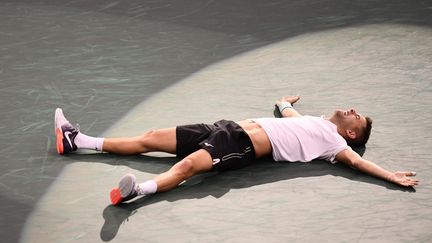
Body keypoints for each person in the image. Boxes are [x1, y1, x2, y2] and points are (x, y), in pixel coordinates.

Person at [54, 96, 419, 205]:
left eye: (357, 117)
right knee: (150, 137)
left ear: (352, 132)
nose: (352, 109)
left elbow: (356, 163)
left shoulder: (336, 144)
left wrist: (391, 175)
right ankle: (77, 141)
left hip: (240, 146)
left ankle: (137, 193)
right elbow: (288, 113)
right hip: (223, 127)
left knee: (185, 168)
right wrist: (281, 101)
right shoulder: (315, 122)